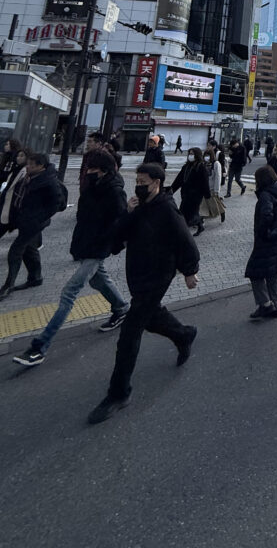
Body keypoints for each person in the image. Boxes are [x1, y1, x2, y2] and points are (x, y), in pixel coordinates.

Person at [87, 163, 200, 425]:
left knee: (130, 332)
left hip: (158, 275)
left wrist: (190, 272)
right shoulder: (139, 206)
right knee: (150, 317)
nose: (138, 186)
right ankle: (184, 334)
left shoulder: (167, 209)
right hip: (137, 272)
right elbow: (118, 235)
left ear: (157, 183)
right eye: (137, 181)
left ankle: (118, 393)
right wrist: (127, 212)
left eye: (143, 182)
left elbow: (186, 242)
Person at [12, 150, 130, 367]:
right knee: (98, 280)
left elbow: (120, 222)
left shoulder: (114, 192)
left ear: (104, 170)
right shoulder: (92, 186)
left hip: (97, 248)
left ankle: (40, 346)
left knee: (69, 292)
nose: (88, 172)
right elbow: (83, 218)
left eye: (92, 168)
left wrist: (106, 244)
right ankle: (121, 308)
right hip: (86, 244)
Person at [0, 152, 66, 302]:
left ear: (41, 166)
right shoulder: (30, 176)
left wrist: (38, 218)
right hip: (24, 219)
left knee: (15, 251)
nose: (28, 167)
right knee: (29, 249)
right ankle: (35, 277)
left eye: (31, 165)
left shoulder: (49, 182)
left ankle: (8, 286)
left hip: (34, 222)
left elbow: (55, 204)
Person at [244, 165, 277, 320]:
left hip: (267, 240)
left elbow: (266, 216)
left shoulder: (265, 195)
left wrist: (263, 233)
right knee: (272, 273)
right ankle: (275, 306)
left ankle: (265, 304)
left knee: (254, 272)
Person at [0, 147, 27, 262]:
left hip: (11, 210)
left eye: (22, 156)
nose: (18, 158)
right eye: (18, 156)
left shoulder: (25, 172)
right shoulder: (16, 169)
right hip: (4, 207)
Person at [170, 147, 211, 235]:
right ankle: (199, 225)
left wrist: (207, 194)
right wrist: (171, 190)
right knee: (189, 213)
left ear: (197, 155)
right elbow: (178, 180)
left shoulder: (201, 167)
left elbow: (205, 182)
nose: (190, 156)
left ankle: (182, 232)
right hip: (185, 193)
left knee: (187, 213)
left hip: (196, 195)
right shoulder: (186, 166)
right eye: (189, 154)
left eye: (192, 154)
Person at [203, 147, 226, 224]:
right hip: (205, 187)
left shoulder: (216, 164)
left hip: (212, 187)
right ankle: (202, 218)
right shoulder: (204, 164)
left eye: (208, 155)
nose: (206, 157)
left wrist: (216, 190)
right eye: (205, 155)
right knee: (204, 204)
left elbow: (218, 177)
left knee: (215, 203)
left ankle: (222, 212)